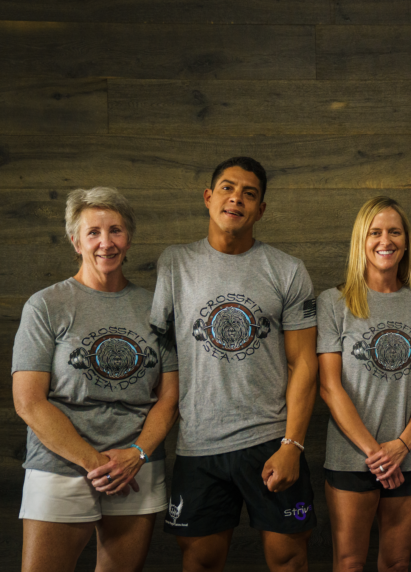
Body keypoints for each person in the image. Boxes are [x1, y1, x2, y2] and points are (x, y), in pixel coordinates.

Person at [150, 157, 320, 572]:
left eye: (249, 193)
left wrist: (292, 445)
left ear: (261, 209)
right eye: (227, 188)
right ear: (209, 197)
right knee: (200, 562)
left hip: (270, 439)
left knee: (289, 559)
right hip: (199, 445)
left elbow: (303, 364)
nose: (236, 199)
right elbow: (162, 356)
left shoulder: (288, 270)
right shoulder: (174, 263)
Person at [12, 187, 179, 572]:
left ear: (129, 238)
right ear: (76, 242)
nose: (106, 242)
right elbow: (28, 402)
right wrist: (96, 463)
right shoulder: (46, 305)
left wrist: (136, 455)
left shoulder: (155, 309)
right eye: (93, 232)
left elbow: (170, 398)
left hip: (136, 466)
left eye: (115, 230)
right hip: (61, 464)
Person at [317, 196, 411, 572]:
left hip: (410, 456)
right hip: (352, 458)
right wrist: (377, 454)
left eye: (394, 232)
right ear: (360, 241)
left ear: (406, 242)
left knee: (397, 563)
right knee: (349, 563)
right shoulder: (333, 303)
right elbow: (329, 387)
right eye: (374, 232)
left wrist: (402, 445)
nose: (385, 240)